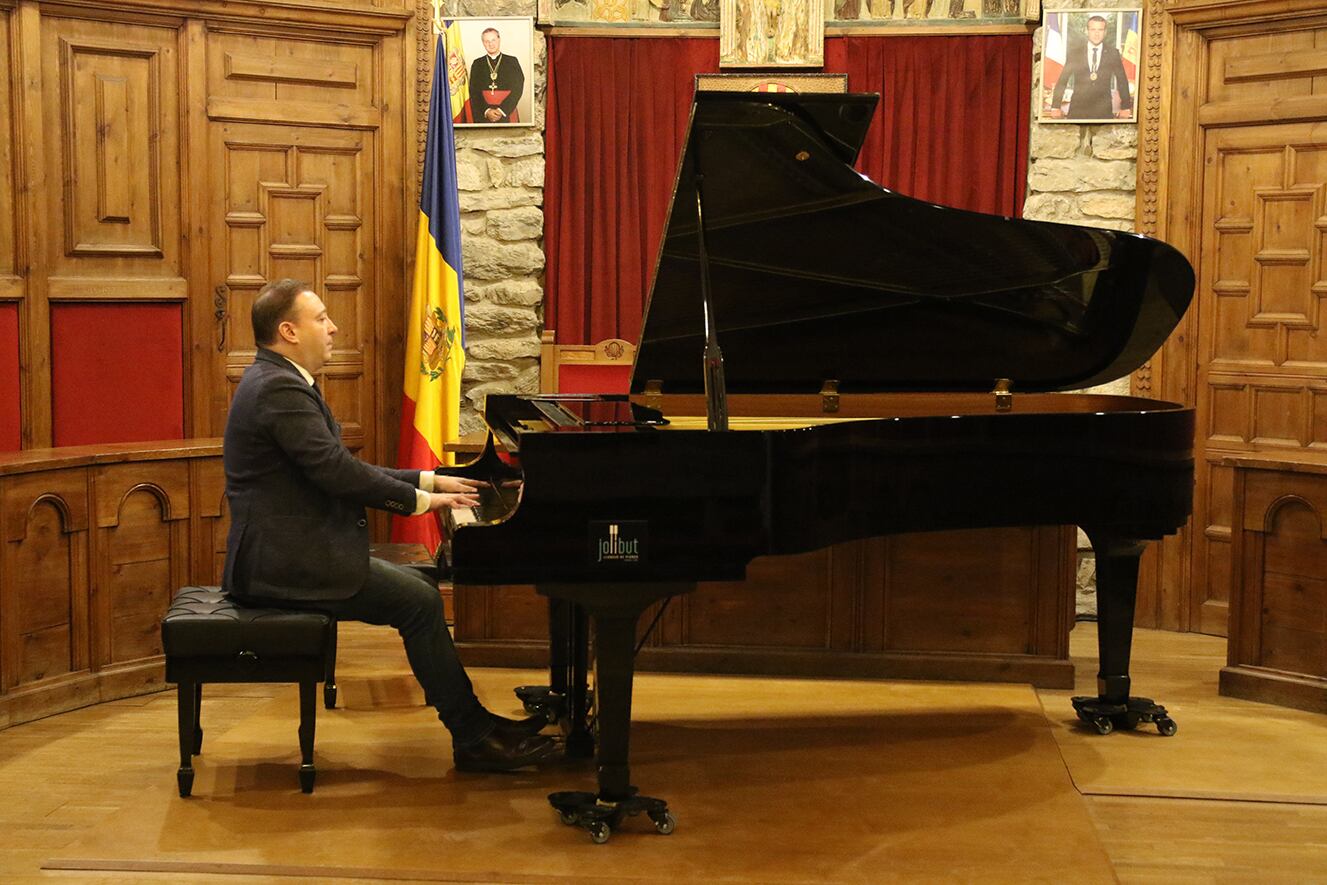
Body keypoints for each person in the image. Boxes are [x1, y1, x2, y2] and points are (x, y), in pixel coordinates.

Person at [222, 278, 557, 772]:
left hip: (294, 551)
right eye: (321, 318)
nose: (333, 327)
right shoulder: (278, 390)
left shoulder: (281, 382)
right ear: (288, 331)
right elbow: (337, 473)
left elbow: (338, 464)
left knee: (420, 585)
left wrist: (433, 479)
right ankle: (473, 738)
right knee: (421, 603)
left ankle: (478, 724)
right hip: (285, 564)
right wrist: (423, 500)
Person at [1047, 15, 1133, 121]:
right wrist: (1055, 106)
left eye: (1100, 30)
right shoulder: (1075, 53)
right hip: (1078, 110)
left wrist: (1126, 107)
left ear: (1105, 32)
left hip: (1103, 111)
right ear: (1087, 31)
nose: (1096, 34)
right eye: (1093, 29)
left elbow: (1122, 81)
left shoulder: (1113, 53)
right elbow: (1063, 80)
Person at [467, 27, 524, 124]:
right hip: (484, 113)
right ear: (483, 43)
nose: (490, 44)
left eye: (493, 40)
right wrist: (487, 111)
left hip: (507, 111)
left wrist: (502, 110)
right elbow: (474, 91)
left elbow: (517, 89)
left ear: (499, 40)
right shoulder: (477, 63)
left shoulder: (512, 61)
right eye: (487, 41)